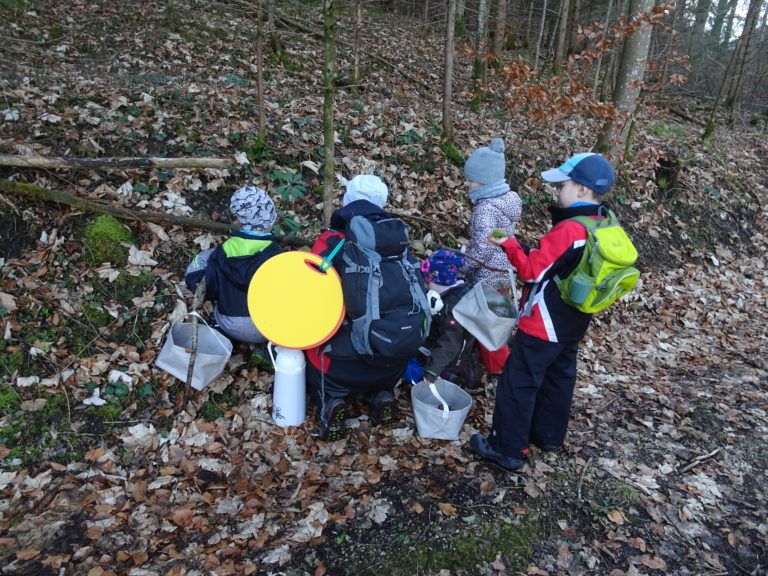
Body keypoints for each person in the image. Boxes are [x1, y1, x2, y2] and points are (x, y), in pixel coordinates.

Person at [469, 152, 617, 471]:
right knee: (559, 377)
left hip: (545, 321)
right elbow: (560, 265)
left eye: (562, 186)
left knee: (518, 381)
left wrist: (509, 244)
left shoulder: (570, 229)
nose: (557, 192)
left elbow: (532, 271)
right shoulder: (604, 220)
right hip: (574, 319)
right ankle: (548, 436)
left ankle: (506, 448)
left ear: (581, 189)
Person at [307, 175, 424, 440]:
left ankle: (331, 402)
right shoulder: (399, 245)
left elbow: (309, 292)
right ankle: (381, 395)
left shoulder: (332, 241)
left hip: (339, 366)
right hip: (392, 357)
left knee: (311, 350)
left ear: (347, 200)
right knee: (378, 369)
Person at [185, 186, 283, 344]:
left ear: (240, 220)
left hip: (231, 324)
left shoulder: (223, 252)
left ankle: (217, 326)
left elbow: (208, 286)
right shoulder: (277, 255)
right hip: (268, 329)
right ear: (271, 218)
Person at [462, 137, 523, 374]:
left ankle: (500, 368)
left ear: (485, 181)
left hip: (487, 274)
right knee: (497, 318)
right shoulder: (505, 201)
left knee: (488, 326)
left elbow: (484, 247)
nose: (468, 184)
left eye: (472, 180)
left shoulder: (485, 209)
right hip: (505, 269)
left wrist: (463, 267)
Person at [416, 249, 480, 389]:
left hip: (448, 356)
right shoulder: (459, 290)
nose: (426, 286)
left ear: (436, 279)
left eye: (427, 282)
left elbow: (449, 343)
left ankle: (447, 375)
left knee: (414, 368)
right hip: (450, 345)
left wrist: (431, 372)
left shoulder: (452, 308)